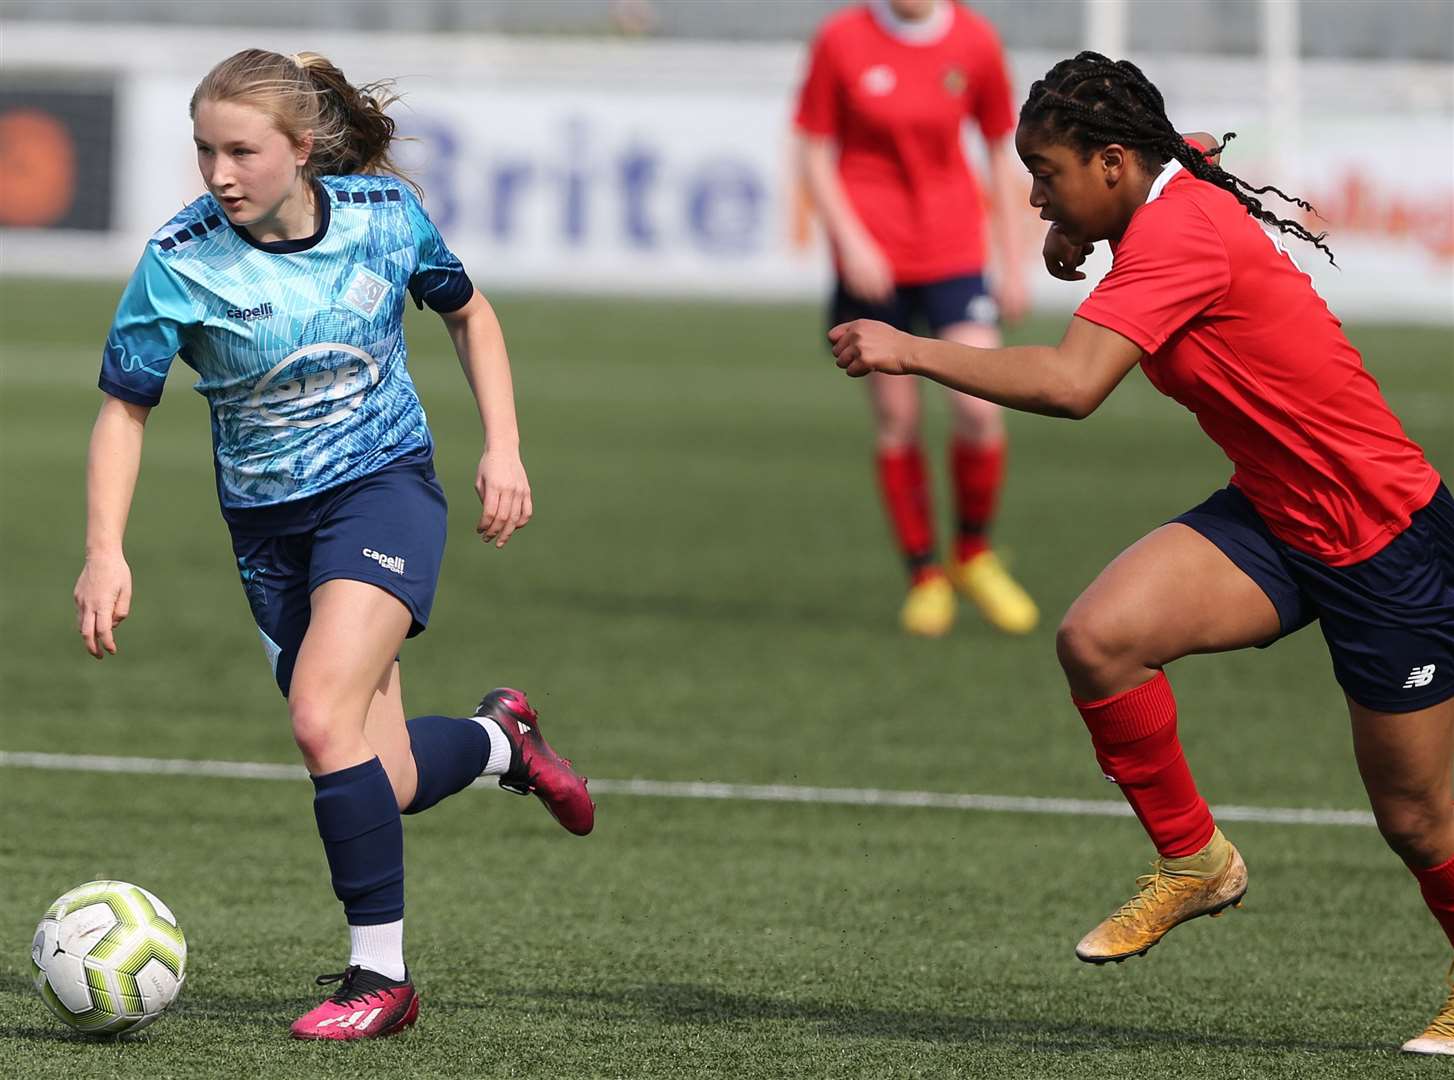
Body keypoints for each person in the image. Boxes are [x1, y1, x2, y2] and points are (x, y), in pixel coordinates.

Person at [828, 51, 1454, 1055]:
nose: (1033, 198)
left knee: (1416, 823)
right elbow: (1191, 150)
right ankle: (1192, 862)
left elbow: (1072, 384)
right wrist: (1084, 225)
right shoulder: (1163, 190)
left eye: (1047, 175)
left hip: (1381, 538)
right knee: (1098, 639)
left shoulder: (1177, 234)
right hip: (1276, 516)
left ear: (1113, 161)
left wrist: (906, 346)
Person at [71, 49, 596, 1041]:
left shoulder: (383, 220)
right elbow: (123, 412)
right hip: (270, 536)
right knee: (380, 774)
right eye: (203, 150)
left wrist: (505, 448)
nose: (218, 173)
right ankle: (501, 741)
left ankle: (380, 980)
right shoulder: (178, 260)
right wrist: (106, 550)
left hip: (382, 494)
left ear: (300, 148)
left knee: (318, 719)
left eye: (241, 150)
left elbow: (469, 314)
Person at [795, 0, 1039, 638]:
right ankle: (925, 576)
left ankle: (974, 553)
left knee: (981, 408)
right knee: (897, 419)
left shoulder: (976, 40)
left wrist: (1013, 263)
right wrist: (850, 241)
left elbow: (998, 151)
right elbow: (814, 152)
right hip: (872, 262)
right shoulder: (841, 39)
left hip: (954, 250)